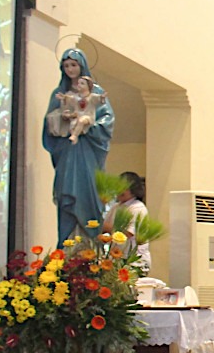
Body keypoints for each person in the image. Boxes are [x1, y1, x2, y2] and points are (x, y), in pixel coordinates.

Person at [43, 49, 115, 246]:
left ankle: (90, 249)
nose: (70, 69)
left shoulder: (96, 92)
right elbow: (49, 125)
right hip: (67, 151)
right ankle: (66, 250)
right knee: (67, 193)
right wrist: (63, 118)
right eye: (66, 66)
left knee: (88, 193)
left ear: (82, 66)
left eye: (74, 65)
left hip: (88, 152)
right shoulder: (60, 94)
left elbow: (107, 121)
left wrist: (88, 127)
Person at [102, 171, 151, 271]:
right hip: (116, 258)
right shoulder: (116, 207)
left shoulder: (137, 208)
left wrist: (107, 227)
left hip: (134, 260)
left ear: (133, 190)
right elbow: (104, 228)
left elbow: (127, 233)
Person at [57, 75, 107, 145]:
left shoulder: (92, 96)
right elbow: (70, 99)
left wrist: (102, 97)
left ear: (88, 86)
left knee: (81, 121)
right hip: (78, 115)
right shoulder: (76, 97)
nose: (79, 85)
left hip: (88, 116)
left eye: (82, 83)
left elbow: (99, 99)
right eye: (78, 83)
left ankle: (74, 136)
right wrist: (64, 98)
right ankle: (75, 136)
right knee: (72, 125)